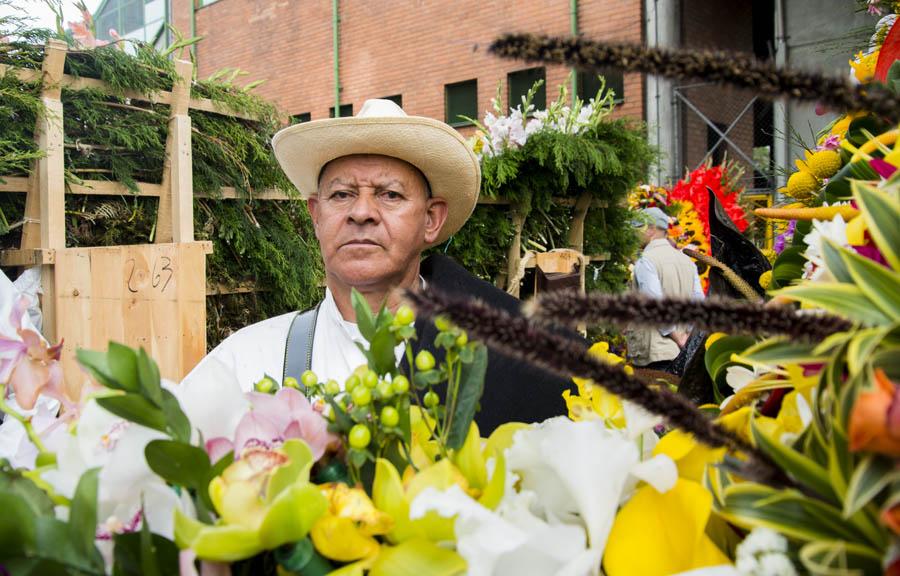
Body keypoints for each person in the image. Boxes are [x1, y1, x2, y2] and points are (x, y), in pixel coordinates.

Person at [182, 99, 579, 433]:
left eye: (389, 194)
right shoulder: (245, 363)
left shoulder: (521, 356)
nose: (361, 212)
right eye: (341, 194)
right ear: (315, 215)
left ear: (431, 220)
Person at [624, 207, 704, 372]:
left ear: (651, 230)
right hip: (682, 354)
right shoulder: (686, 261)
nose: (633, 233)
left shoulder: (646, 261)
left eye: (637, 228)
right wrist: (687, 336)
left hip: (655, 355)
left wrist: (678, 337)